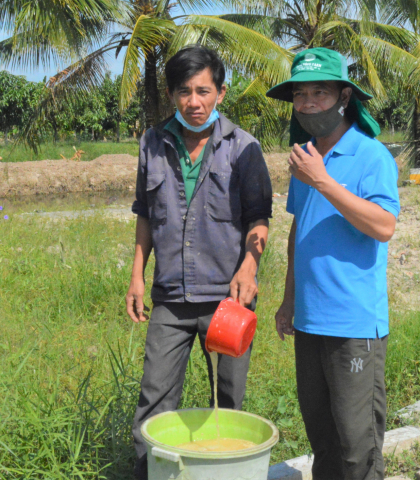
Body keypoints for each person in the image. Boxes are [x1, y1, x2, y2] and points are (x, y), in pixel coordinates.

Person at [126, 44, 273, 480]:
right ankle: (151, 473)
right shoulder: (152, 143)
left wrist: (249, 264)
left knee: (227, 402)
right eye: (185, 92)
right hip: (170, 297)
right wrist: (136, 276)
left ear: (221, 93)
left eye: (204, 91)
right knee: (154, 401)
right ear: (172, 94)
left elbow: (259, 219)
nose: (195, 102)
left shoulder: (244, 148)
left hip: (227, 302)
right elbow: (145, 216)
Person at [269, 48, 400, 480]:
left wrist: (323, 179)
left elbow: (383, 226)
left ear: (344, 96)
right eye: (300, 95)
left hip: (353, 325)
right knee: (321, 438)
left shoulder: (371, 155)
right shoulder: (303, 157)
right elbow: (298, 232)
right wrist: (289, 302)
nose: (307, 103)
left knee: (355, 444)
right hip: (310, 320)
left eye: (319, 93)